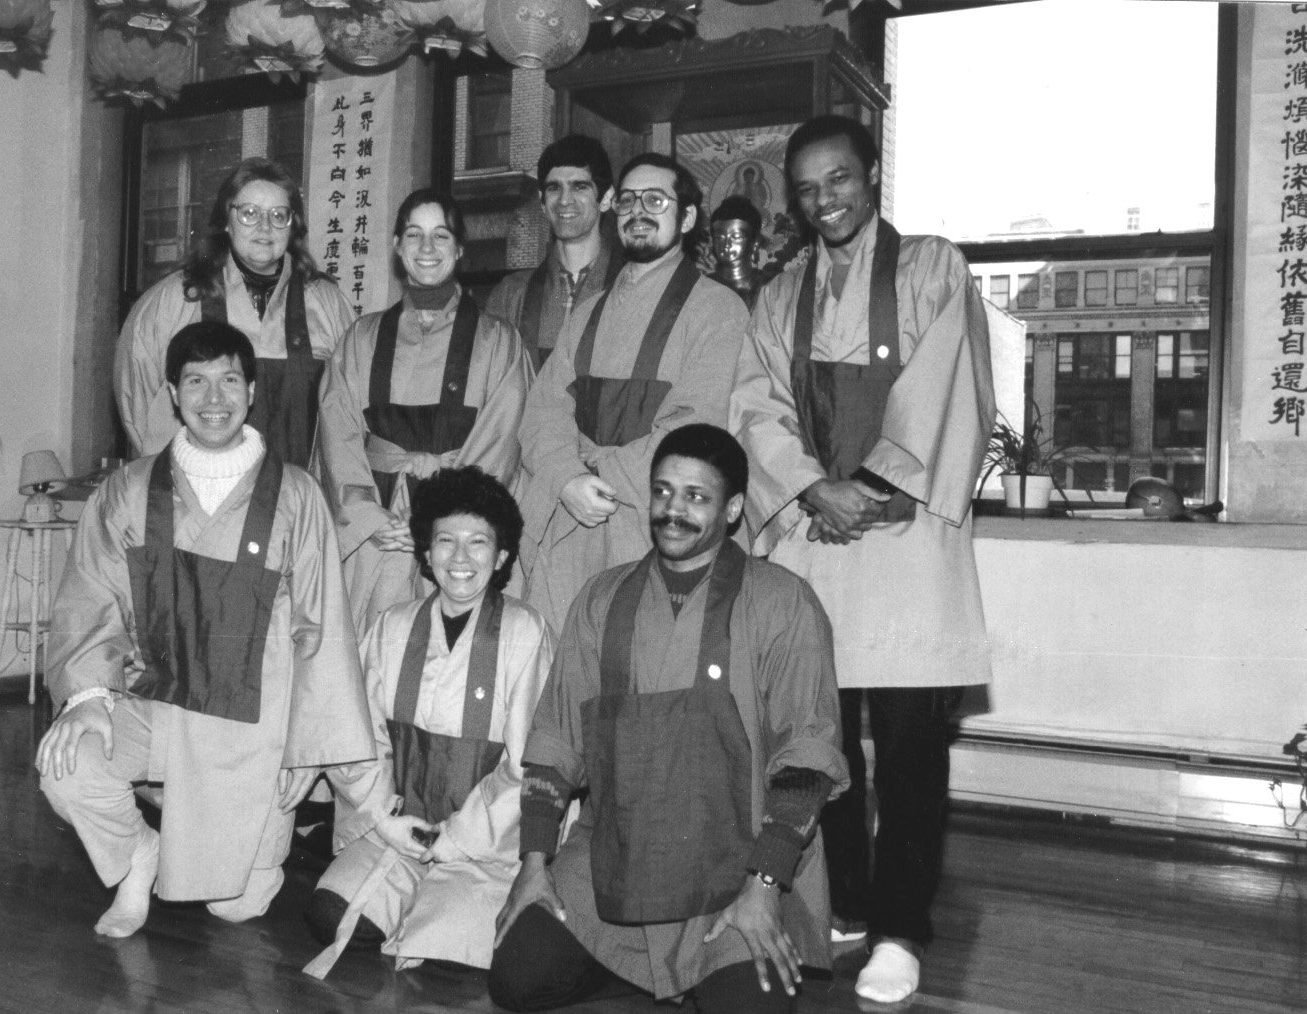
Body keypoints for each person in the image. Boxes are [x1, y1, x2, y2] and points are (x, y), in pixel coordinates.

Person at [730, 114, 996, 1004]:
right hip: (820, 537)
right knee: (821, 735)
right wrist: (811, 488)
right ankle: (840, 902)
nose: (824, 201)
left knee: (914, 744)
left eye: (838, 180)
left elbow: (943, 384)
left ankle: (902, 927)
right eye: (806, 190)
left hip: (908, 533)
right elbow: (757, 402)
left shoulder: (931, 266)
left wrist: (871, 483)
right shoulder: (780, 292)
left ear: (872, 174)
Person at [489, 424, 848, 1014]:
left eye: (696, 497)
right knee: (517, 980)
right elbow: (555, 742)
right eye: (662, 492)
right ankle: (657, 973)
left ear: (733, 509)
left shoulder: (784, 602)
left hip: (739, 868)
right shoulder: (600, 599)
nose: (672, 511)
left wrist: (764, 888)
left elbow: (808, 761)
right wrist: (533, 866)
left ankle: (697, 972)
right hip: (617, 854)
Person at [38, 320, 373, 938]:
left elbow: (321, 633)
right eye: (195, 381)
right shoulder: (127, 491)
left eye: (228, 381)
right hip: (155, 708)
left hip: (253, 730)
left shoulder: (297, 497)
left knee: (235, 906)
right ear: (171, 391)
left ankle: (215, 832)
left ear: (251, 391)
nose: (212, 399)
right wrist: (86, 699)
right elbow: (92, 596)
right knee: (67, 765)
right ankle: (139, 855)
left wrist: (307, 748)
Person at [303, 466, 554, 975]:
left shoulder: (526, 633)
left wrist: (458, 837)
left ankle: (444, 902)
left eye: (478, 543)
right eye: (445, 541)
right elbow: (360, 736)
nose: (460, 559)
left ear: (502, 556)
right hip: (402, 827)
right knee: (330, 916)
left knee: (446, 955)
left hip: (485, 843)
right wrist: (383, 819)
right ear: (425, 551)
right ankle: (408, 888)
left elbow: (527, 762)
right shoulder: (393, 626)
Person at [516, 154, 750, 633]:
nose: (637, 211)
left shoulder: (718, 309)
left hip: (652, 519)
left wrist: (594, 479)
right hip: (572, 511)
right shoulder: (586, 313)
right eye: (626, 200)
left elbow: (697, 425)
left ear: (685, 217)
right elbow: (544, 410)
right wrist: (565, 478)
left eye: (655, 200)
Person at [311, 188, 531, 634]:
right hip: (380, 533)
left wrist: (434, 524)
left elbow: (502, 442)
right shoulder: (360, 338)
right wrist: (370, 519)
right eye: (414, 235)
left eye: (441, 236)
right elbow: (337, 437)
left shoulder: (500, 342)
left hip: (461, 538)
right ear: (397, 247)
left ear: (460, 249)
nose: (427, 249)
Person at [116, 157, 353, 465]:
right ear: (225, 220)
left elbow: (350, 414)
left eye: (279, 215)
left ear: (293, 225)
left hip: (301, 500)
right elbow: (138, 403)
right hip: (196, 499)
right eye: (249, 213)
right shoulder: (171, 301)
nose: (264, 227)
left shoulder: (328, 304)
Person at [485, 135, 624, 370]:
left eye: (579, 186)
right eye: (554, 188)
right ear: (542, 201)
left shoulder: (635, 287)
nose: (564, 200)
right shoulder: (510, 296)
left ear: (606, 198)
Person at [709, 195, 767, 307]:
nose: (726, 245)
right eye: (719, 238)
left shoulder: (769, 286)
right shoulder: (701, 287)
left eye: (736, 237)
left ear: (755, 242)